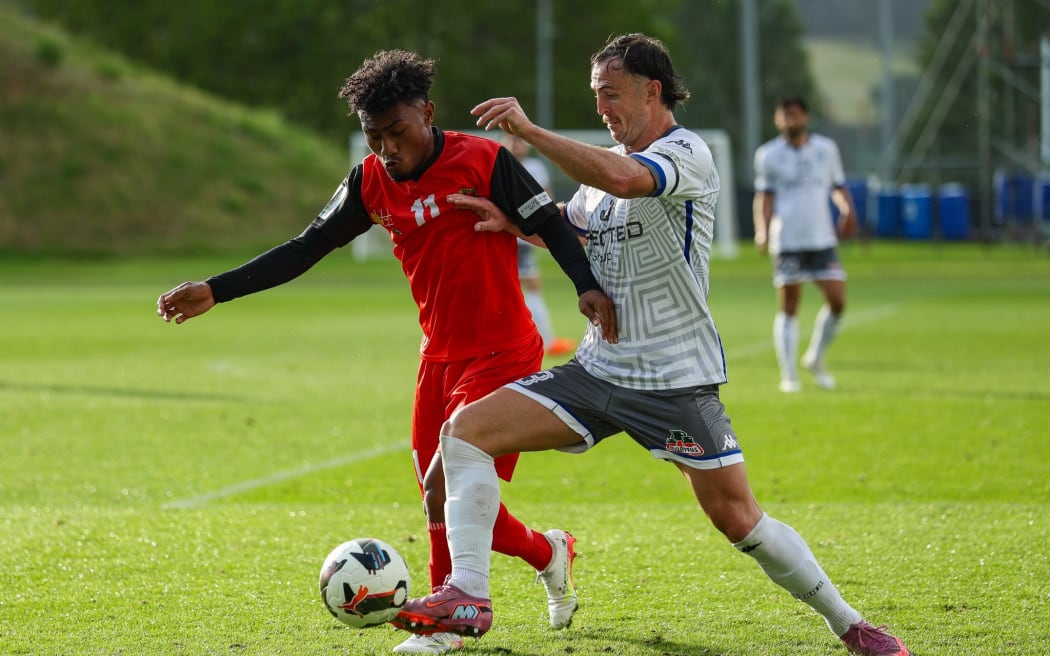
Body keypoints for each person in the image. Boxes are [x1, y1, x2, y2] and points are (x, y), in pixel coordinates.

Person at [391, 34, 910, 656]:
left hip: (673, 379)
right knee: (464, 433)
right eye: (596, 95)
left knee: (739, 519)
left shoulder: (685, 152)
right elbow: (573, 227)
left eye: (610, 93)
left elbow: (626, 180)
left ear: (651, 90)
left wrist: (534, 130)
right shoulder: (600, 172)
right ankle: (467, 595)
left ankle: (849, 623)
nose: (602, 106)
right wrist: (515, 225)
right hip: (596, 370)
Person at [156, 49, 616, 655]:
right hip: (438, 357)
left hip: (502, 350)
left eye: (397, 132)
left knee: (446, 482)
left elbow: (552, 225)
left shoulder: (483, 158)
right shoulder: (368, 182)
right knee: (441, 496)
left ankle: (448, 620)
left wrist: (586, 287)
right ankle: (548, 550)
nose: (387, 148)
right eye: (374, 137)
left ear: (428, 113)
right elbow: (305, 247)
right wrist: (216, 289)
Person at [752, 95, 858, 393]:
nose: (790, 120)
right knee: (789, 306)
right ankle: (789, 376)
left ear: (806, 118)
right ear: (777, 120)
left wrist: (848, 210)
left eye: (795, 114)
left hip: (821, 237)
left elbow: (837, 187)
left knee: (838, 301)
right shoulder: (768, 155)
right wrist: (762, 230)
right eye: (784, 115)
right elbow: (765, 196)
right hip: (787, 240)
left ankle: (814, 358)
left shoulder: (826, 149)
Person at [501, 134, 576, 357]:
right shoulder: (501, 167)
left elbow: (547, 199)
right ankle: (544, 340)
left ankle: (539, 340)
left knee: (523, 287)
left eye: (519, 141)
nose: (517, 145)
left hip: (526, 236)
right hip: (512, 236)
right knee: (523, 288)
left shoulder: (535, 167)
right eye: (511, 141)